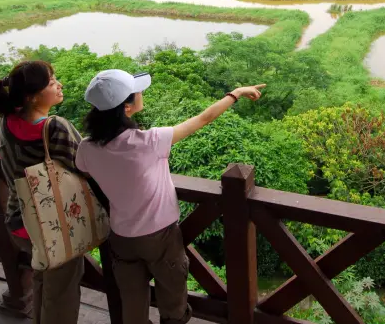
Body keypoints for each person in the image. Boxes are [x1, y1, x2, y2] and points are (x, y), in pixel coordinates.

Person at [78, 69, 265, 324]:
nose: (141, 93)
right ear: (127, 107)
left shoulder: (86, 147)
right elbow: (203, 119)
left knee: (132, 304)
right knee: (173, 301)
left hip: (121, 237)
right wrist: (236, 93)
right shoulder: (149, 141)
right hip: (161, 236)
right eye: (137, 91)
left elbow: (86, 172)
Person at [0, 60, 85, 324]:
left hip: (19, 222)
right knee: (61, 296)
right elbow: (87, 166)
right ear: (32, 96)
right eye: (53, 82)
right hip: (53, 227)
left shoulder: (8, 121)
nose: (59, 85)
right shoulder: (54, 127)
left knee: (43, 278)